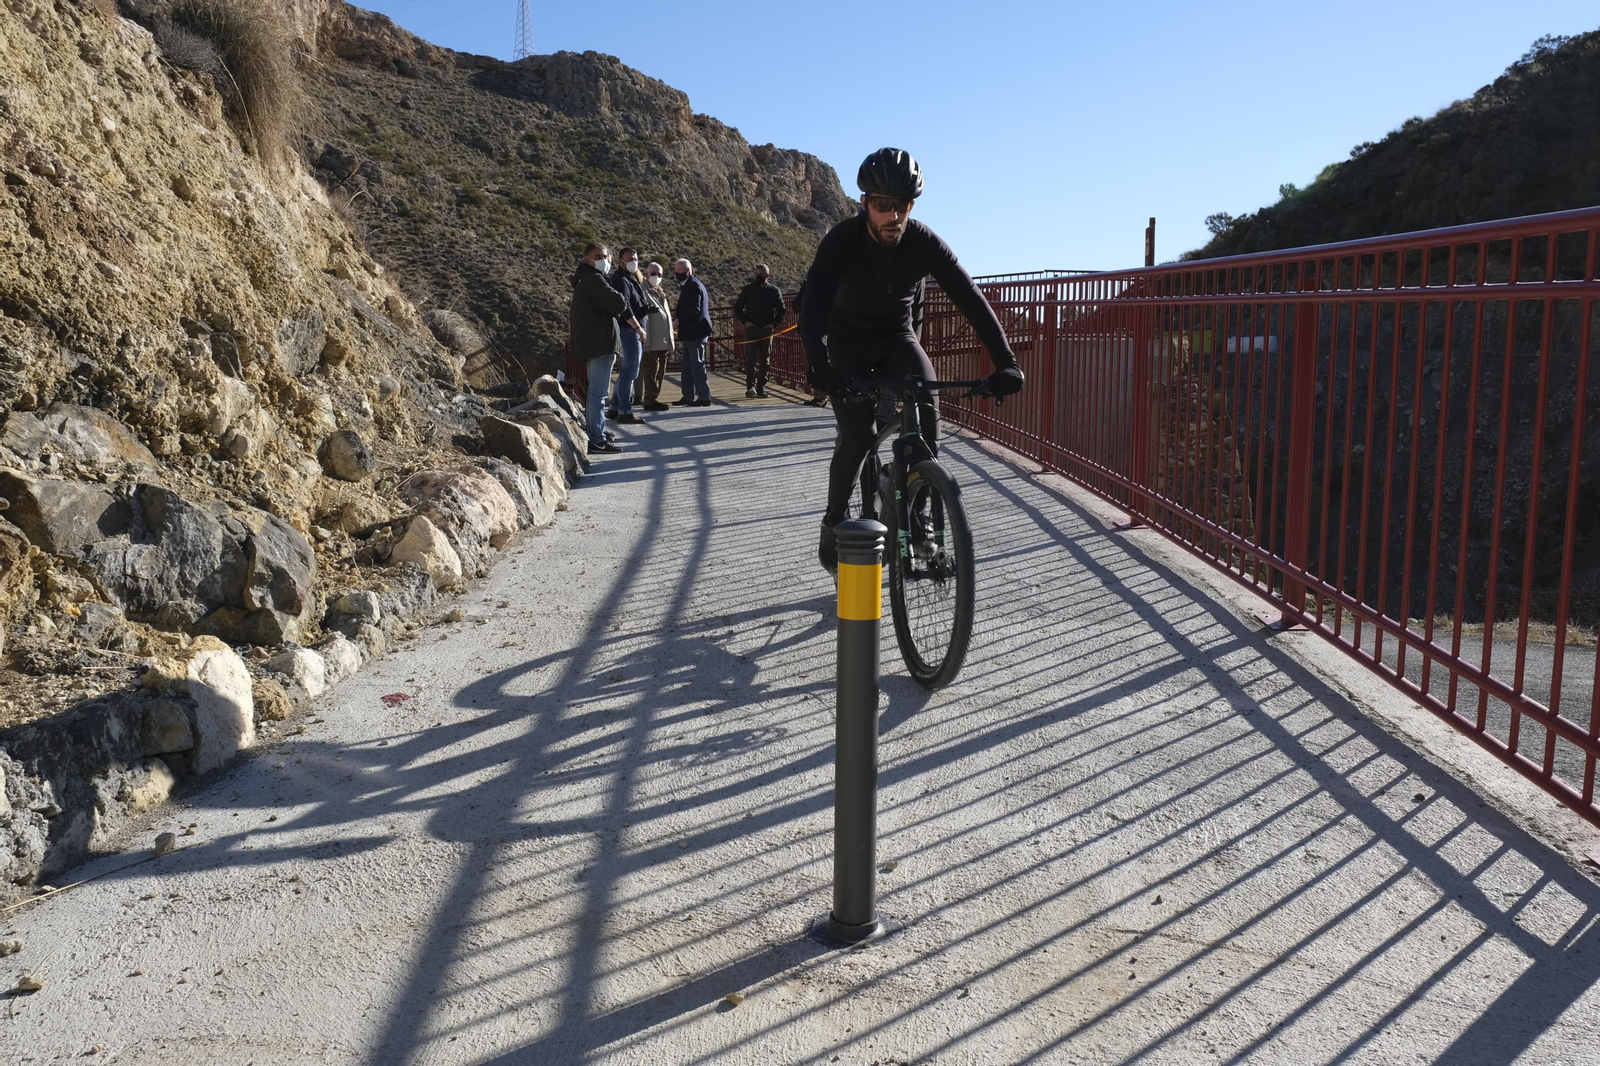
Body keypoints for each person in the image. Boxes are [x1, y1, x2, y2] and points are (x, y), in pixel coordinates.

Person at [801, 147, 1025, 572]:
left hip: (896, 339)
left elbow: (970, 299)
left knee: (926, 424)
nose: (893, 216)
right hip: (847, 342)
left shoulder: (922, 241)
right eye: (883, 206)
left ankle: (919, 510)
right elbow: (812, 306)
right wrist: (819, 364)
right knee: (859, 436)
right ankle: (833, 522)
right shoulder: (842, 241)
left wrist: (1006, 360)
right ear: (865, 204)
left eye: (901, 206)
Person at [569, 243, 642, 454]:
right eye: (598, 256)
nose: (603, 260)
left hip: (593, 342)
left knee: (596, 393)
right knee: (599, 394)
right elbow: (618, 301)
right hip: (600, 343)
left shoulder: (585, 279)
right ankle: (597, 440)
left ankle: (598, 431)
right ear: (587, 259)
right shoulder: (593, 279)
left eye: (606, 256)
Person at [606, 248, 650, 425]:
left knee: (628, 372)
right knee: (630, 372)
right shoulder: (621, 279)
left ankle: (615, 407)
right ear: (621, 262)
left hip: (631, 330)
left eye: (636, 259)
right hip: (628, 330)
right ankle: (625, 411)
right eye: (630, 259)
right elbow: (623, 305)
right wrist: (638, 327)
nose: (634, 262)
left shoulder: (629, 279)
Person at [734, 263, 786, 398]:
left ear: (767, 275)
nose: (758, 277)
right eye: (756, 274)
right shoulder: (748, 290)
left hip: (766, 330)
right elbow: (738, 308)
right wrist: (745, 322)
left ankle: (761, 387)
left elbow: (782, 311)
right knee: (750, 359)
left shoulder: (774, 291)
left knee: (765, 360)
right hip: (751, 329)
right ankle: (750, 387)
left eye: (761, 275)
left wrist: (773, 324)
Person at [671, 257, 713, 407]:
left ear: (687, 270)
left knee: (697, 365)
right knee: (687, 366)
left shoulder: (693, 285)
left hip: (695, 332)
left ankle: (704, 396)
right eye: (675, 270)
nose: (676, 273)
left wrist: (678, 321)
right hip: (690, 332)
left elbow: (694, 309)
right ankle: (687, 396)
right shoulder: (691, 284)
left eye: (679, 270)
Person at [638, 260, 675, 411]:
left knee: (660, 372)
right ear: (646, 274)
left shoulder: (660, 292)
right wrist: (647, 341)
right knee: (651, 372)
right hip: (652, 342)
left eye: (659, 274)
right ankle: (650, 399)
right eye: (653, 273)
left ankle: (654, 397)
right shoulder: (642, 291)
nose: (656, 276)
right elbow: (644, 318)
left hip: (664, 341)